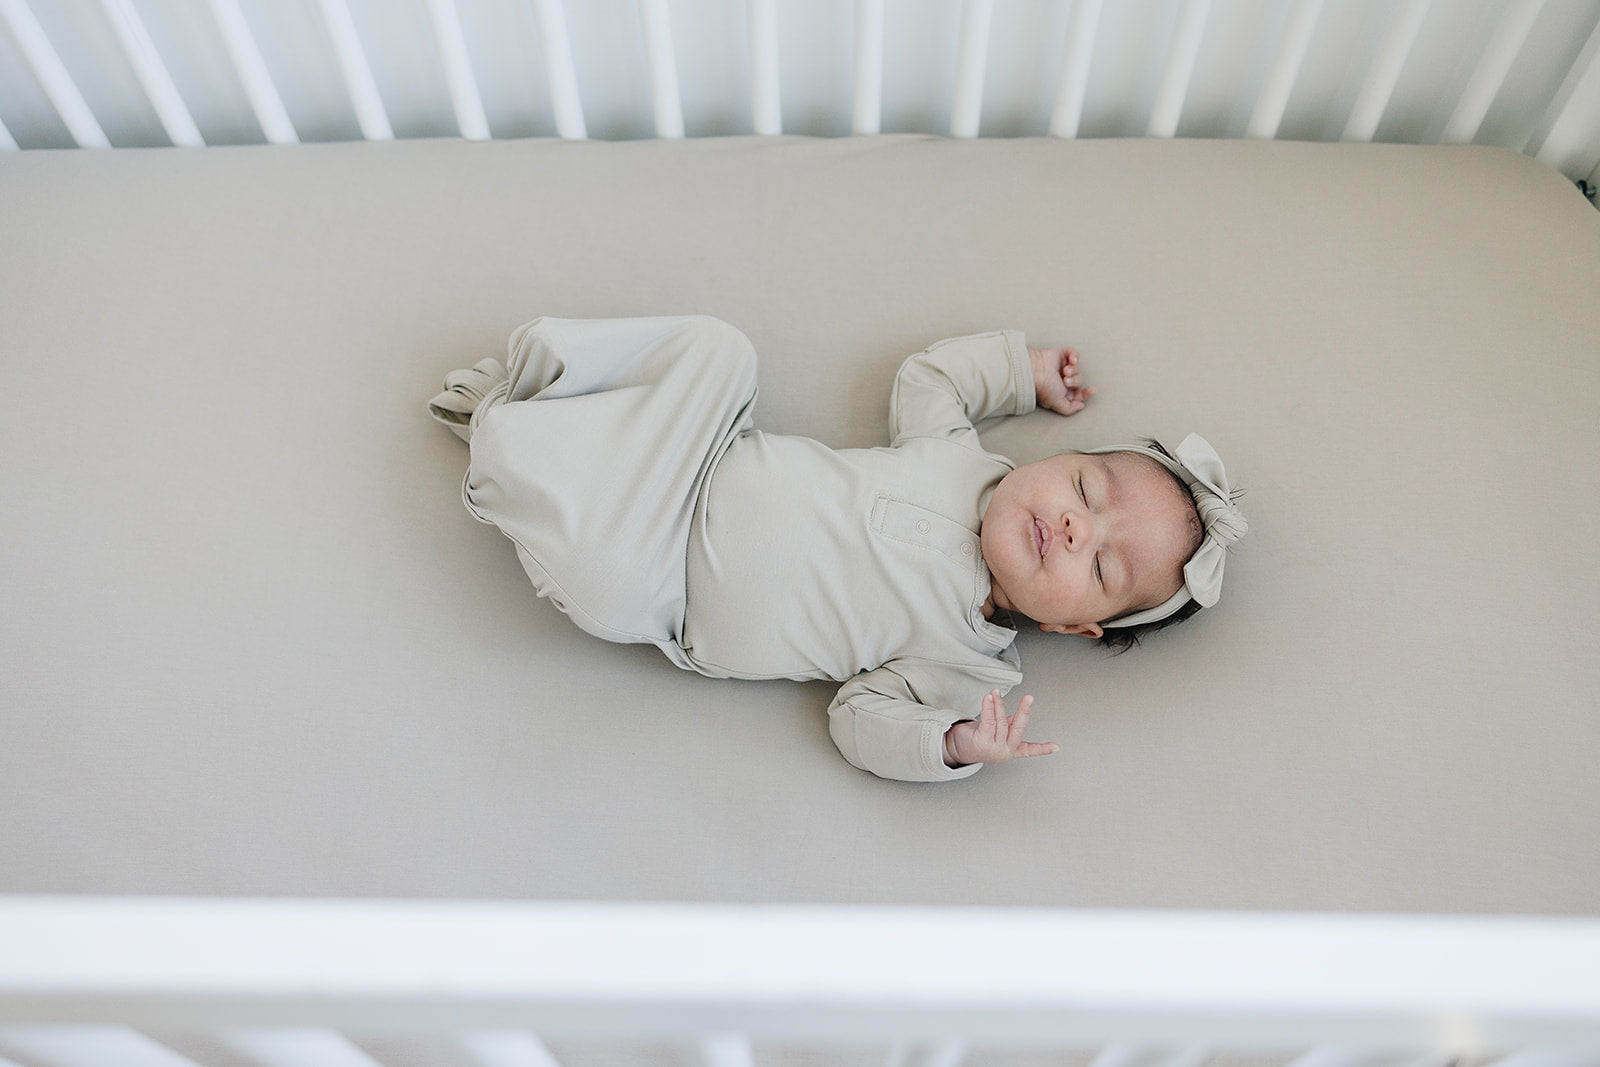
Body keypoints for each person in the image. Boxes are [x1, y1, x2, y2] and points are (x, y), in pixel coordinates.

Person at [428, 315, 1245, 782]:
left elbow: (858, 721)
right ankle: (542, 383)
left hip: (667, 584)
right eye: (1086, 489)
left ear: (1073, 626)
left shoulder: (969, 669)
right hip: (704, 453)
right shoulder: (959, 459)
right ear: (1059, 458)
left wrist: (951, 743)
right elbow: (930, 379)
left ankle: (506, 441)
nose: (1074, 527)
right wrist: (1019, 372)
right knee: (720, 349)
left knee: (605, 584)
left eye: (1099, 565)